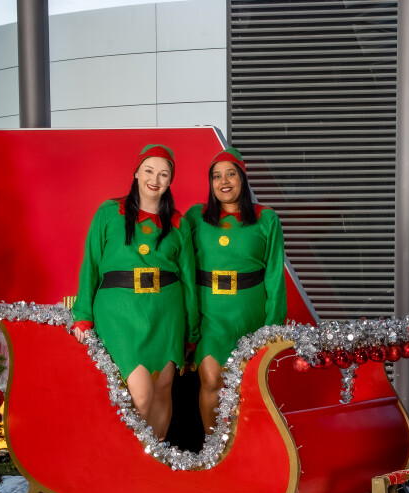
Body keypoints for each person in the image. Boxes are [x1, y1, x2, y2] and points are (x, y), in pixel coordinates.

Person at [71, 144, 198, 440]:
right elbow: (90, 264)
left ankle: (154, 459)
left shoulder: (179, 224)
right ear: (137, 173)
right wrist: (83, 315)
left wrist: (192, 332)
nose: (155, 179)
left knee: (163, 389)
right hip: (120, 312)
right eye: (149, 171)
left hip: (166, 313)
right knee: (140, 396)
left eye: (163, 174)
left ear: (170, 180)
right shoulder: (108, 212)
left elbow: (189, 282)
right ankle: (127, 463)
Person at [184, 148, 287, 433]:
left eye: (230, 174)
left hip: (249, 315)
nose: (224, 182)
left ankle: (242, 447)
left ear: (243, 178)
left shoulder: (266, 218)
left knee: (246, 387)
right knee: (211, 381)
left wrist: (272, 328)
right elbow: (179, 264)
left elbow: (275, 276)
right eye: (216, 176)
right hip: (209, 315)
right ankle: (213, 448)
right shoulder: (196, 217)